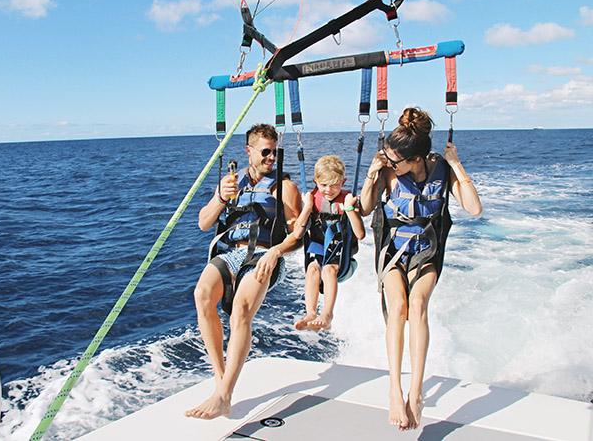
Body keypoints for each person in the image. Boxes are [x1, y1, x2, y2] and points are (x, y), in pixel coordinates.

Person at [359, 107, 482, 431]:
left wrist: (456, 164)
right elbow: (366, 206)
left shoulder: (441, 170)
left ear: (415, 159)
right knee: (398, 305)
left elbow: (474, 207)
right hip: (393, 251)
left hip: (426, 252)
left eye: (394, 160)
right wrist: (373, 173)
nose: (390, 163)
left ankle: (416, 393)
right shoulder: (388, 172)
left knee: (418, 304)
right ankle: (395, 391)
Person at [185, 123, 302, 420]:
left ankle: (224, 396)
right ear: (249, 151)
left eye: (274, 152)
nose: (270, 158)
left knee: (240, 311)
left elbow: (298, 235)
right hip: (231, 253)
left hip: (264, 256)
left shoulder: (283, 187)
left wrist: (275, 253)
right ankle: (220, 379)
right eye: (265, 152)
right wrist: (220, 198)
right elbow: (203, 222)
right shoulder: (230, 183)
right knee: (201, 295)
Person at [293, 155, 365, 331]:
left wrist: (349, 209)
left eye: (334, 184)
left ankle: (327, 313)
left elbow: (360, 234)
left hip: (342, 258)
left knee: (327, 269)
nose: (329, 190)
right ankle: (311, 313)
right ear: (316, 182)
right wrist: (308, 207)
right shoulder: (311, 199)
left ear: (343, 182)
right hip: (319, 251)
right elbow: (297, 233)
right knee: (312, 269)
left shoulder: (348, 199)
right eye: (324, 185)